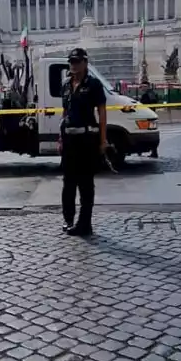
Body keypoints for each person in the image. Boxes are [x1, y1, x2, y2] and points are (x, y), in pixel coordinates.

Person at [59, 47, 108, 236]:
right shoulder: (65, 84)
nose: (73, 65)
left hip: (87, 139)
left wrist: (103, 140)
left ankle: (85, 223)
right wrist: (60, 138)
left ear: (85, 63)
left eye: (77, 62)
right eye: (71, 62)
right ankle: (68, 218)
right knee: (68, 182)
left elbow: (102, 113)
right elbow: (65, 112)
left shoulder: (94, 84)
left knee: (86, 183)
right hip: (69, 139)